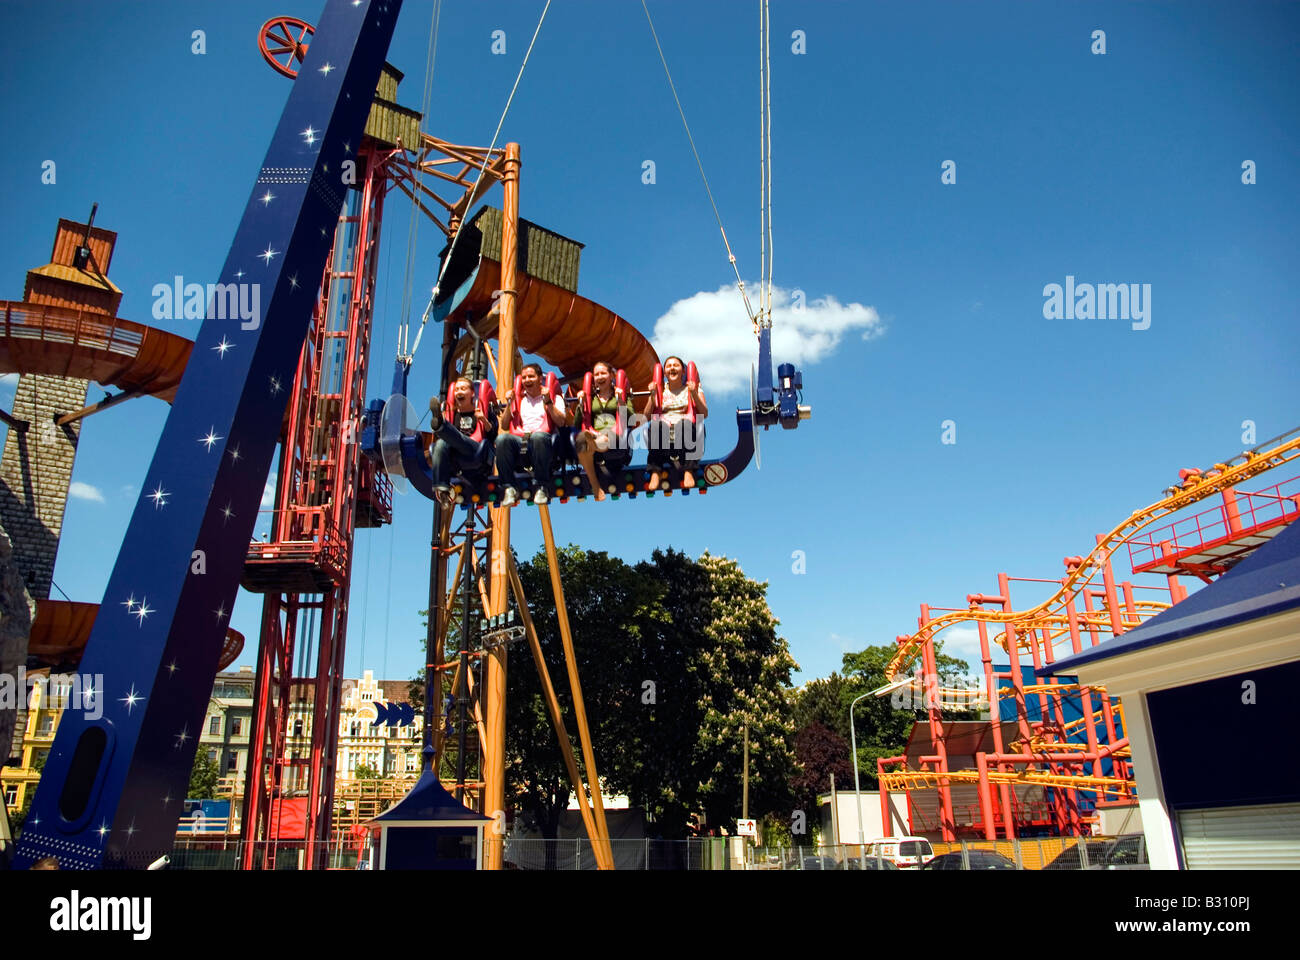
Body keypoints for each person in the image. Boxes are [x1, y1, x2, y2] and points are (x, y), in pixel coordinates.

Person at [495, 363, 566, 507]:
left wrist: (549, 403)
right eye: (524, 377)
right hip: (523, 441)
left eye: (531, 376)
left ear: (540, 378)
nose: (527, 380)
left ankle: (541, 486)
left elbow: (561, 422)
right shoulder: (520, 399)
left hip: (546, 443)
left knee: (538, 436)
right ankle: (509, 487)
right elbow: (504, 425)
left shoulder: (555, 397)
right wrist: (510, 403)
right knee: (502, 439)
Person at [426, 377, 496, 508]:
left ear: (472, 393)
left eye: (463, 389)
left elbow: (493, 435)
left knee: (454, 437)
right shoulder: (452, 415)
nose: (459, 392)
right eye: (457, 389)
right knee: (440, 444)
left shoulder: (482, 411)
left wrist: (484, 420)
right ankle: (441, 488)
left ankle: (441, 426)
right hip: (456, 457)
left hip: (477, 451)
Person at [642, 355, 708, 490]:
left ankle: (688, 470)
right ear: (665, 372)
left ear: (683, 371)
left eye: (676, 365)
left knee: (683, 425)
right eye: (668, 366)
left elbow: (704, 413)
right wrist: (652, 396)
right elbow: (646, 416)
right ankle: (655, 471)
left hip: (685, 432)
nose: (672, 368)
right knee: (656, 426)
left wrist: (694, 393)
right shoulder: (661, 391)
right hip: (665, 436)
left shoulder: (692, 388)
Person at [572, 361, 631, 502]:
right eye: (596, 374)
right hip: (594, 435)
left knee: (603, 438)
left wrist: (621, 402)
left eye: (603, 373)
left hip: (616, 438)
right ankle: (595, 484)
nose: (600, 377)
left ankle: (594, 444)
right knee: (580, 439)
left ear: (611, 375)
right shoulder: (590, 399)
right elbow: (577, 423)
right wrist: (580, 405)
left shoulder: (621, 395)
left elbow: (632, 419)